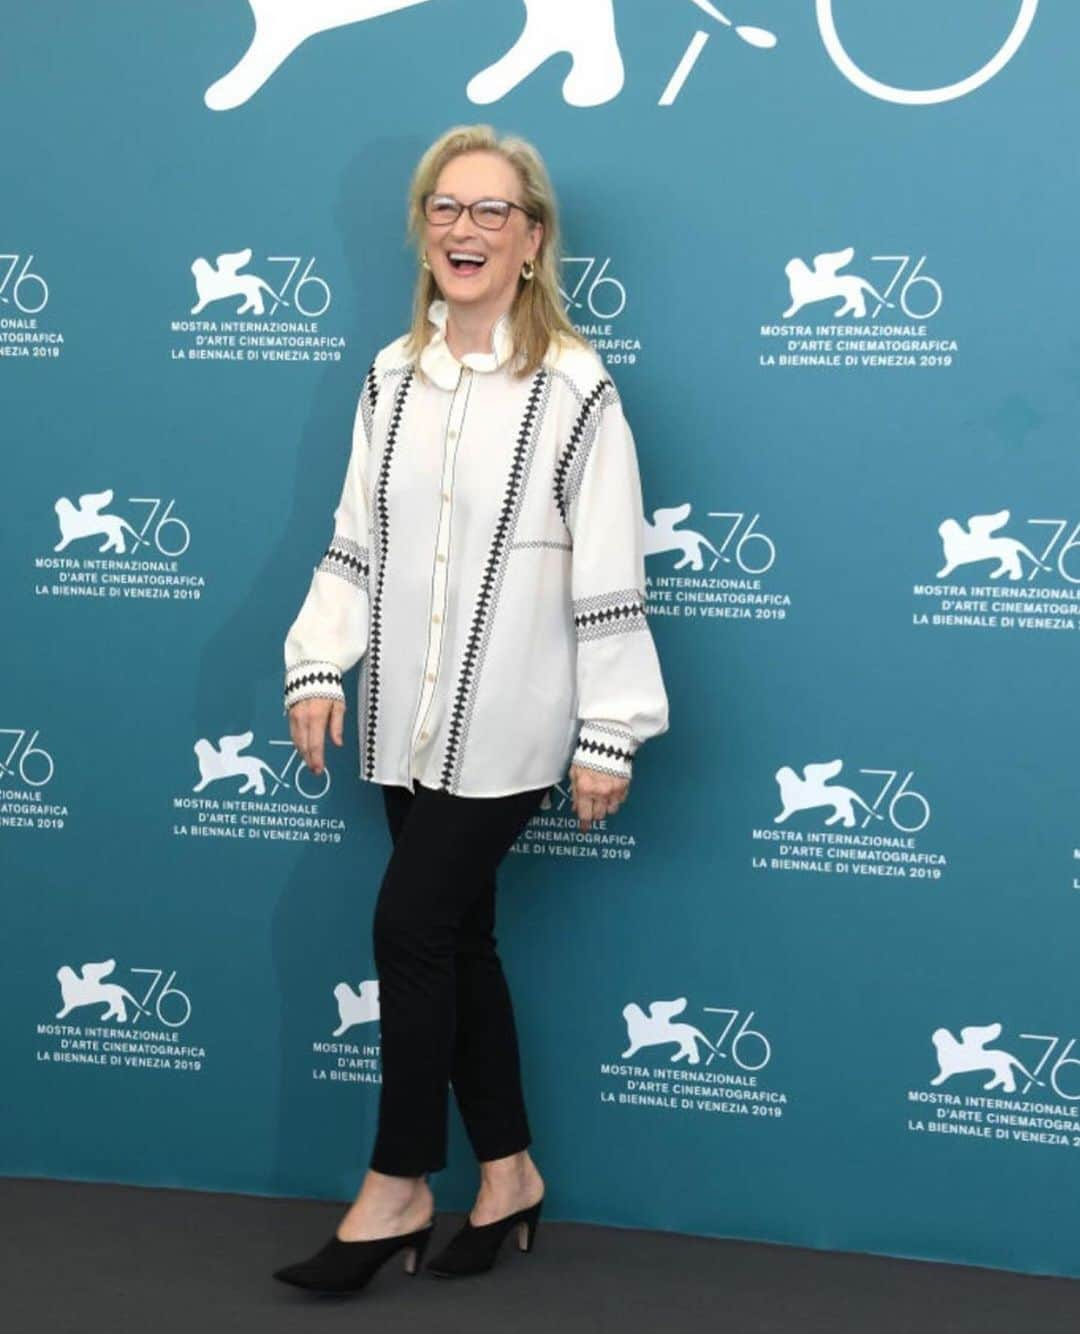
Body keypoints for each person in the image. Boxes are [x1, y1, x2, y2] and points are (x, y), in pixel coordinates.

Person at [272, 123, 669, 1295]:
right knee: (461, 939)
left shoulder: (578, 388)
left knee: (409, 930)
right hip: (404, 717)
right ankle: (510, 1174)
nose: (466, 229)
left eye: (492, 211)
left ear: (533, 239)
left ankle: (398, 1186)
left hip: (514, 721)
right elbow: (357, 539)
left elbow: (608, 569)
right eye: (447, 208)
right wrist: (317, 662)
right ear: (422, 227)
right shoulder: (391, 378)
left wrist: (610, 728)